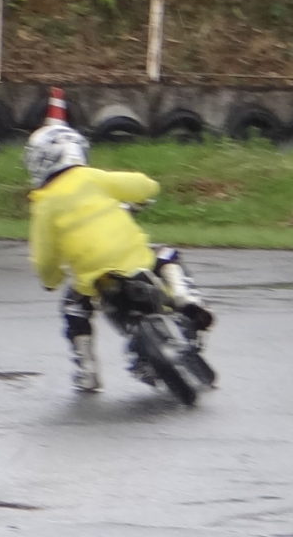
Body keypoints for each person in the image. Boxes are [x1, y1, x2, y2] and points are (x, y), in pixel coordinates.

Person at [25, 119, 213, 394]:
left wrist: (51, 280)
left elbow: (44, 259)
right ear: (76, 150)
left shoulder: (43, 204)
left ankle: (87, 371)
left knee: (73, 308)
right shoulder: (92, 178)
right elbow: (144, 185)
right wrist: (145, 193)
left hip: (92, 279)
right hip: (136, 261)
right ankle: (187, 298)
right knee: (167, 255)